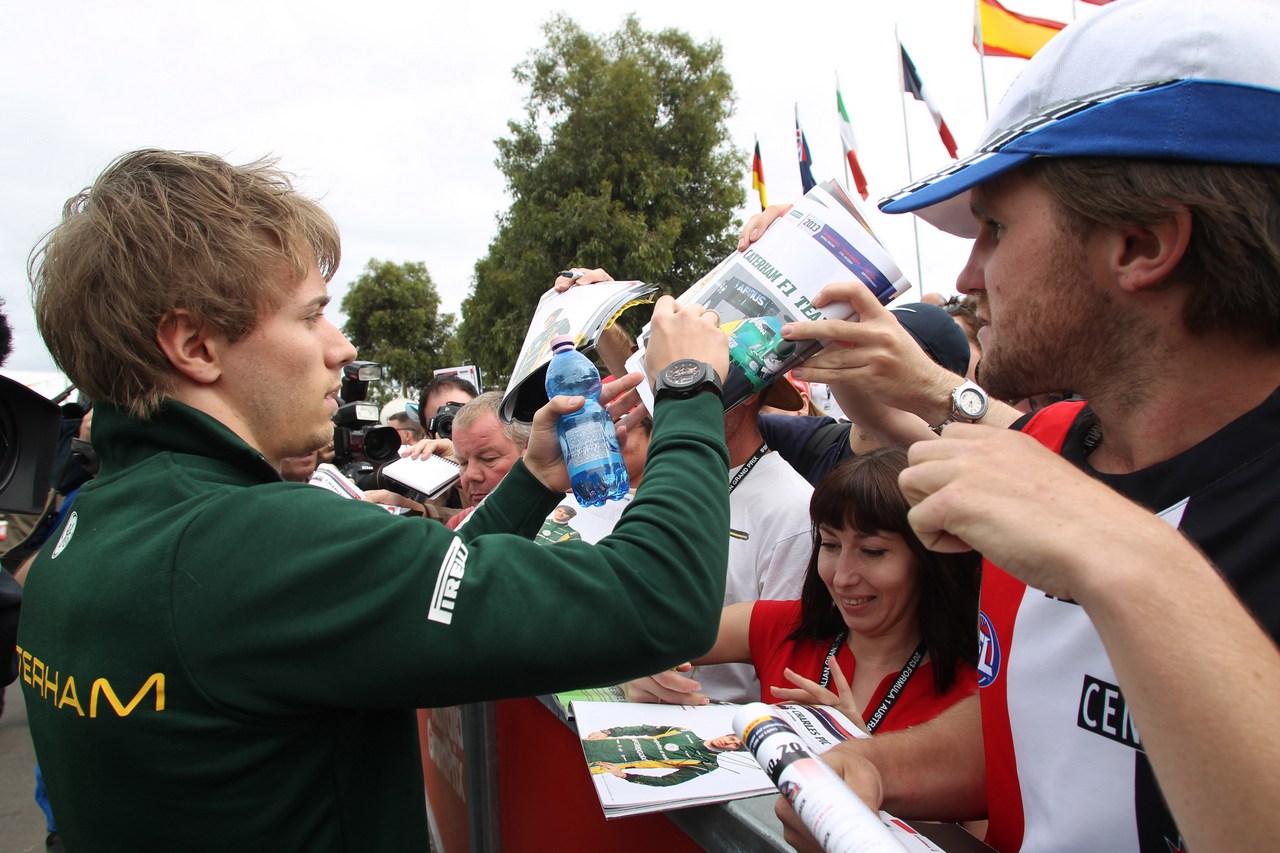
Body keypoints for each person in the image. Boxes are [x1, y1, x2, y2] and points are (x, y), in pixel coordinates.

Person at [18, 148, 733, 852]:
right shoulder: (255, 539)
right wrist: (690, 387)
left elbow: (426, 584)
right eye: (309, 316)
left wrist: (534, 480)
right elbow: (661, 595)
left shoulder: (84, 528)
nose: (342, 345)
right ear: (194, 343)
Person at [764, 2, 1280, 851]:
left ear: (1141, 243)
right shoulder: (1038, 460)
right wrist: (880, 768)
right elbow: (1033, 727)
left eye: (995, 229)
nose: (968, 273)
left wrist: (1135, 563)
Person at [625, 451, 978, 734]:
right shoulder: (785, 624)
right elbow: (641, 638)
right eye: (830, 544)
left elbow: (976, 822)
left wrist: (870, 757)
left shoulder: (972, 700)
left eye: (872, 551)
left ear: (930, 557)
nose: (842, 577)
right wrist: (640, 674)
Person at [581, 727, 748, 787]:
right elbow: (642, 729)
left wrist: (625, 776)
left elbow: (667, 781)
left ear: (733, 751)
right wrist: (608, 732)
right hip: (596, 744)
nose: (728, 743)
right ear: (727, 734)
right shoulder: (684, 732)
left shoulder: (708, 763)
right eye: (732, 738)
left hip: (600, 764)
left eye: (735, 745)